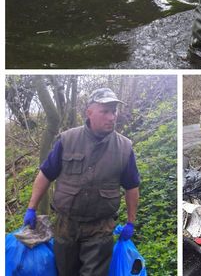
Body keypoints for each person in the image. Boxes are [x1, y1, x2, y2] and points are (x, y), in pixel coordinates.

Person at [23, 88, 140, 276]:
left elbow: (132, 187)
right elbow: (46, 174)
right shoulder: (67, 140)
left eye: (114, 111)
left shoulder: (124, 148)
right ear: (90, 113)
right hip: (65, 226)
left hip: (100, 228)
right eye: (105, 111)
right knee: (66, 272)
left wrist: (130, 222)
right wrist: (32, 208)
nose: (111, 117)